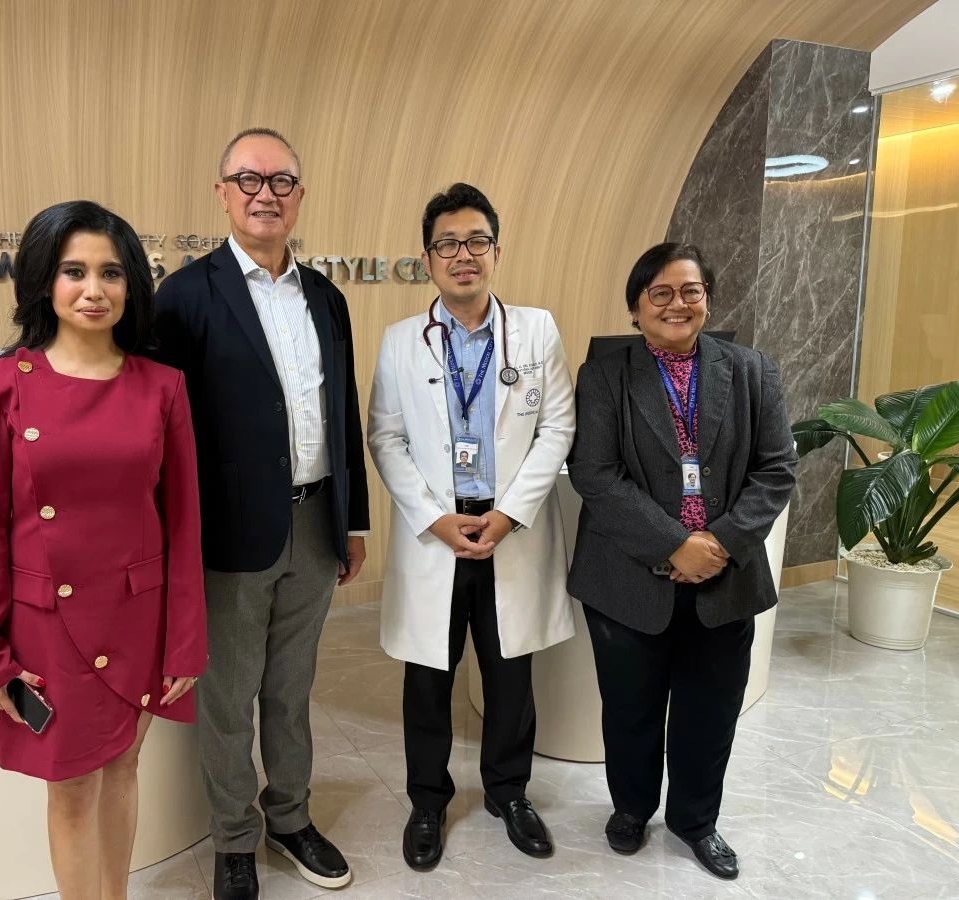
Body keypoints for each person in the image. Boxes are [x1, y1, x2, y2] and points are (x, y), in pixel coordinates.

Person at [0, 201, 207, 900]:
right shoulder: (2, 384)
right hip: (46, 627)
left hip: (138, 618)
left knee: (123, 768)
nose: (94, 290)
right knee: (69, 788)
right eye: (74, 272)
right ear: (44, 280)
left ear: (131, 286)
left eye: (111, 273)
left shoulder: (162, 387)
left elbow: (183, 523)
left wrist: (186, 643)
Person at [153, 128, 370, 900]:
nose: (265, 193)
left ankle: (290, 818)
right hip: (228, 533)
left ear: (299, 196)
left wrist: (352, 521)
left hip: (314, 523)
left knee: (291, 687)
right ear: (222, 194)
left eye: (280, 181)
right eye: (248, 179)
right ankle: (234, 838)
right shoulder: (184, 297)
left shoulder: (327, 298)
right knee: (228, 695)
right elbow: (163, 431)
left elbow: (340, 412)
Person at [566, 242, 797, 879]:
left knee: (711, 711)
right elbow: (595, 473)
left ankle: (696, 822)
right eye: (660, 293)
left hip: (726, 577)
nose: (677, 304)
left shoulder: (752, 371)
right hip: (627, 575)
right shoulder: (604, 375)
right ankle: (631, 809)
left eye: (691, 291)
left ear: (707, 301)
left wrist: (717, 543)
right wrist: (674, 543)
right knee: (630, 708)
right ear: (636, 307)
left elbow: (777, 469)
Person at [367, 183, 576, 871]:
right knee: (429, 674)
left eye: (476, 241)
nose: (464, 255)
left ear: (496, 250)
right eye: (448, 244)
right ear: (428, 259)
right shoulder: (401, 342)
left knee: (510, 672)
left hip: (508, 525)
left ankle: (509, 792)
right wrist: (434, 518)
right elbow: (385, 437)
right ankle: (428, 800)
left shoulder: (536, 330)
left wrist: (510, 514)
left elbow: (558, 427)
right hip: (438, 531)